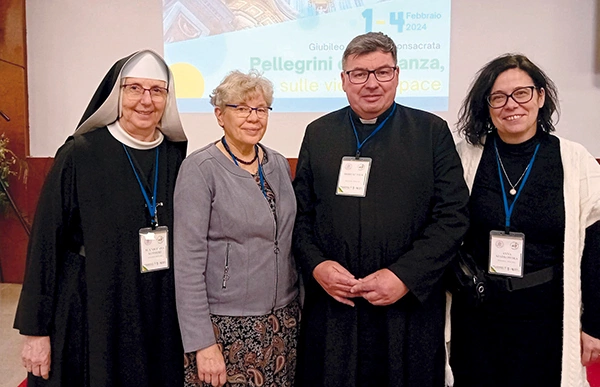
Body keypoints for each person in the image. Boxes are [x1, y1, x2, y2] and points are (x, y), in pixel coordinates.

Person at [292, 31, 470, 387]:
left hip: (407, 308)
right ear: (343, 80)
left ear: (398, 75)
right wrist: (317, 266)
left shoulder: (431, 132)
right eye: (359, 73)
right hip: (336, 305)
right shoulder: (319, 133)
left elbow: (453, 216)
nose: (371, 83)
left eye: (382, 72)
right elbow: (299, 216)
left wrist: (404, 276)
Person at [14, 50, 188, 386]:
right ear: (116, 94)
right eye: (134, 88)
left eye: (157, 90)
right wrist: (35, 331)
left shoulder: (173, 155)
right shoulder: (80, 153)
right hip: (91, 305)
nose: (146, 100)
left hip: (154, 307)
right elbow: (45, 244)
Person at [449, 53, 600, 387]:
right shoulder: (465, 157)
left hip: (546, 316)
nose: (511, 105)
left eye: (522, 93)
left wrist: (594, 325)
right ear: (486, 105)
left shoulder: (574, 161)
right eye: (498, 97)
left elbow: (596, 249)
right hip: (477, 314)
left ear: (541, 96)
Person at [173, 70, 299, 387]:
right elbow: (187, 263)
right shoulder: (200, 169)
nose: (252, 117)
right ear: (219, 115)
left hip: (282, 320)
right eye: (240, 108)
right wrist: (202, 343)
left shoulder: (278, 163)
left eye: (260, 109)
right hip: (225, 327)